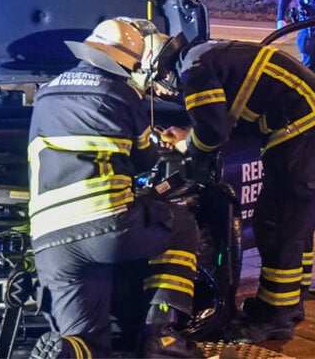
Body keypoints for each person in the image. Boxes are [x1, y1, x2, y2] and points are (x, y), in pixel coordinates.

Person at [28, 18, 200, 359]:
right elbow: (144, 158)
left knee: (87, 339)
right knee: (182, 224)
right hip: (107, 227)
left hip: (49, 238)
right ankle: (161, 335)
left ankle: (65, 351)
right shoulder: (121, 93)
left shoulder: (45, 92)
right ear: (130, 62)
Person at [154, 36, 315, 344]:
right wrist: (190, 132)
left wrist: (187, 145)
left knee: (277, 218)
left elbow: (212, 134)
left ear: (163, 68)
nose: (163, 89)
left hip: (296, 122)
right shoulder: (204, 54)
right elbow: (227, 114)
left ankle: (274, 316)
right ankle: (292, 299)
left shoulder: (194, 70)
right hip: (311, 114)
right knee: (295, 215)